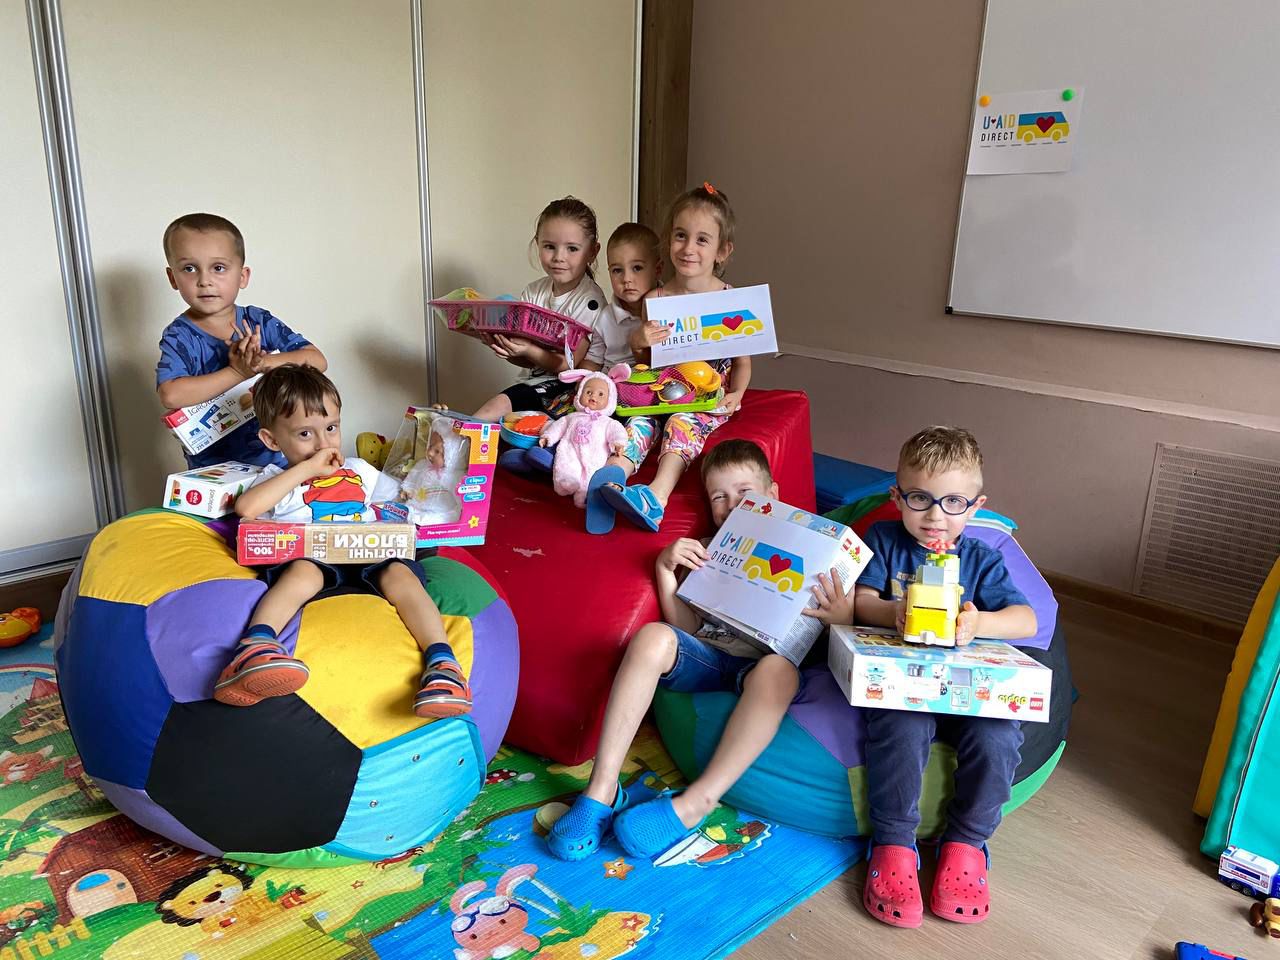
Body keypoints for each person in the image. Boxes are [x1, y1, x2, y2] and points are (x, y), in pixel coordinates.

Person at [806, 426, 1038, 928]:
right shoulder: (885, 541)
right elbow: (861, 601)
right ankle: (892, 844)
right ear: (898, 497)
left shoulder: (981, 558)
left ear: (976, 506)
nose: (935, 515)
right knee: (900, 727)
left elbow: (1027, 619)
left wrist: (980, 623)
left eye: (953, 501)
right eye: (920, 498)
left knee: (998, 735)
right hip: (903, 688)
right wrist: (894, 613)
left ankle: (967, 844)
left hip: (968, 691)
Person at [547, 439, 798, 861]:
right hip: (714, 657)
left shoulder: (808, 548)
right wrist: (665, 569)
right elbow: (688, 630)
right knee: (653, 635)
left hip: (763, 670)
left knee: (779, 670)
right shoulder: (710, 548)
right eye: (719, 497)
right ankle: (603, 789)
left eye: (745, 493)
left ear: (772, 494)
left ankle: (697, 801)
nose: (732, 505)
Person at [213, 364, 471, 719]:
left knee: (402, 575)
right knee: (304, 572)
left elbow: (409, 497)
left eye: (331, 428)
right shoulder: (279, 479)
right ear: (273, 441)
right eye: (305, 434)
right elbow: (247, 508)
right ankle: (256, 645)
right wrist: (306, 470)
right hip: (313, 560)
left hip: (367, 555)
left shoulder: (359, 469)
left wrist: (435, 447)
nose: (323, 444)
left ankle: (443, 665)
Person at [591, 183, 752, 533]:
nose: (688, 248)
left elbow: (741, 362)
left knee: (681, 422)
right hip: (660, 386)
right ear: (668, 240)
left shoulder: (732, 301)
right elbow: (649, 358)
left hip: (703, 396)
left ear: (722, 251)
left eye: (702, 240)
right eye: (680, 236)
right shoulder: (656, 298)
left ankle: (656, 497)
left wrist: (737, 395)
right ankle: (611, 478)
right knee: (638, 422)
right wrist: (638, 342)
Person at [156, 213, 326, 468]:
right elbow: (171, 395)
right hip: (214, 470)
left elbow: (317, 361)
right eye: (190, 268)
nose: (205, 280)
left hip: (277, 461)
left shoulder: (258, 320)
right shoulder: (179, 336)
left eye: (219, 268)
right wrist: (237, 372)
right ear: (173, 278)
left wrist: (263, 363)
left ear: (243, 276)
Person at [464, 197, 607, 424]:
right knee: (497, 418)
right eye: (549, 246)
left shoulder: (590, 301)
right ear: (537, 244)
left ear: (592, 251)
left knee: (488, 413)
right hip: (537, 384)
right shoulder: (534, 293)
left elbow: (567, 365)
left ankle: (458, 440)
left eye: (572, 249)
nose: (559, 257)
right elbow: (530, 360)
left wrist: (528, 349)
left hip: (573, 390)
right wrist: (505, 346)